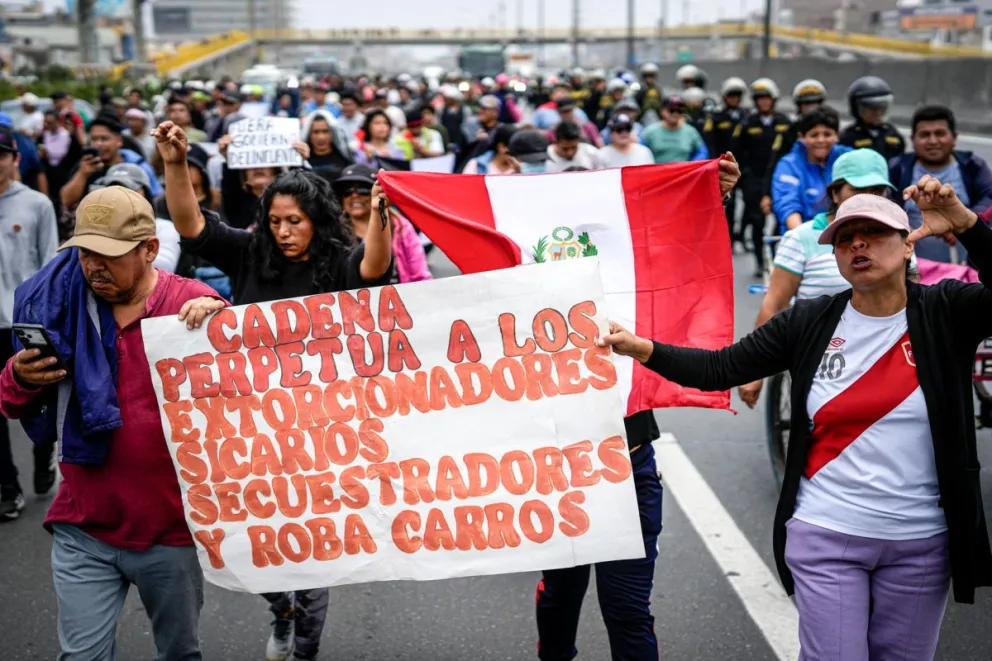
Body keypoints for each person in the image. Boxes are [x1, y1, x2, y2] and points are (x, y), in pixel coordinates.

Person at [598, 181, 992, 661]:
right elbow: (719, 367)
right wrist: (644, 348)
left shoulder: (947, 311)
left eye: (873, 232)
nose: (857, 245)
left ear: (907, 243)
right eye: (845, 238)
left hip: (922, 544)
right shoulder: (809, 321)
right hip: (827, 536)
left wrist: (968, 224)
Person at [157, 120, 393, 661]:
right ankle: (279, 609)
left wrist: (381, 214)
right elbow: (191, 225)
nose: (285, 231)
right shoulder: (248, 254)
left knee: (312, 552)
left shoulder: (338, 261)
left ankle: (304, 645)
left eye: (296, 222)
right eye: (276, 221)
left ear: (317, 222)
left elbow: (373, 267)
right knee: (251, 538)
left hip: (320, 429)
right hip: (248, 424)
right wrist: (176, 164)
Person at [0, 183, 225, 659]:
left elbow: (242, 396)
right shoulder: (58, 305)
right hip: (84, 527)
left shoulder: (191, 305)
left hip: (172, 534)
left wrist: (221, 325)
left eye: (110, 255)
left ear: (149, 250)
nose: (93, 267)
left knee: (180, 653)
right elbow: (11, 402)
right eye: (85, 253)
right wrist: (20, 374)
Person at [738, 149, 897, 407]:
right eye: (858, 191)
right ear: (835, 194)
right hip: (821, 355)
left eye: (877, 191)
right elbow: (774, 304)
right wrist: (755, 371)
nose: (868, 200)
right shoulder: (801, 239)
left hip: (882, 350)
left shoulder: (899, 237)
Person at [0, 124, 59, 521]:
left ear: (15, 159)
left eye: (1, 156)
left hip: (22, 324)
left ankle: (43, 456)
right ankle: (8, 485)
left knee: (36, 401)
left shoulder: (37, 204)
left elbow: (49, 265)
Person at [890, 105, 992, 263]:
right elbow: (884, 203)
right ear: (912, 140)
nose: (932, 141)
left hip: (965, 267)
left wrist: (961, 222)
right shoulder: (897, 168)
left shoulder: (973, 166)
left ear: (954, 138)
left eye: (940, 133)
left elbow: (989, 198)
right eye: (925, 134)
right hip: (910, 266)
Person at [331, 164, 432, 283]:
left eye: (363, 190)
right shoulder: (334, 231)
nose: (354, 196)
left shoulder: (400, 226)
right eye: (347, 191)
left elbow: (419, 273)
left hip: (401, 297)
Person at [734, 78, 792, 263]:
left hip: (778, 178)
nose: (764, 102)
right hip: (754, 179)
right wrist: (744, 178)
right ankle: (760, 261)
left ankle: (777, 257)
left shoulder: (785, 123)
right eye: (760, 98)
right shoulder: (746, 124)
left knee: (781, 218)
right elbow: (737, 152)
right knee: (757, 220)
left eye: (767, 98)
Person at [91, 163, 182, 274]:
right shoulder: (96, 226)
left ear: (145, 194)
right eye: (114, 190)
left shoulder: (163, 227)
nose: (122, 196)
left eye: (129, 190)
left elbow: (164, 267)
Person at [772, 108, 851, 233]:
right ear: (801, 137)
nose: (821, 140)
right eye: (814, 135)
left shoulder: (848, 158)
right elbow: (787, 204)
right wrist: (804, 237)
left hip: (842, 235)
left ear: (837, 136)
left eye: (827, 134)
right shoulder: (788, 165)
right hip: (801, 235)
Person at [60, 116, 161, 214]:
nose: (98, 144)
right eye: (94, 139)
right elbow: (66, 201)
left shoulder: (136, 166)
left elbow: (154, 199)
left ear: (119, 141)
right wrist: (82, 174)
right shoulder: (85, 164)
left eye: (104, 139)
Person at [840, 76, 905, 161]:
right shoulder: (848, 137)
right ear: (856, 108)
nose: (877, 113)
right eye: (872, 108)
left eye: (881, 108)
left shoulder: (893, 134)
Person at [38, 109, 82, 218]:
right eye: (45, 122)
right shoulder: (42, 136)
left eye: (50, 123)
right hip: (48, 178)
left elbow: (75, 157)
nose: (47, 125)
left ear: (58, 122)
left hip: (65, 177)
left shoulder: (69, 137)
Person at [640, 96, 708, 165]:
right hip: (657, 173)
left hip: (683, 173)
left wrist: (691, 165)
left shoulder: (691, 132)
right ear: (662, 111)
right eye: (672, 110)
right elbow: (640, 152)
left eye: (679, 110)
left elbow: (702, 152)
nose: (675, 113)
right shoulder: (650, 132)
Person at [301, 110, 354, 184]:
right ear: (309, 135)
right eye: (316, 132)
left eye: (325, 131)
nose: (321, 137)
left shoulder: (344, 159)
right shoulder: (303, 161)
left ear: (332, 133)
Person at [0, 112, 47, 195]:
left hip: (24, 189)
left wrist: (45, 197)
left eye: (4, 128)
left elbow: (39, 171)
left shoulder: (25, 143)